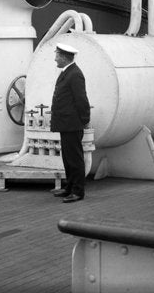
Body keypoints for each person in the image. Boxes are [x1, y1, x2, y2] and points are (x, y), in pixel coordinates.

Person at [49, 41, 90, 202]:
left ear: (65, 57)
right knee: (67, 157)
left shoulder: (75, 74)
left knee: (74, 158)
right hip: (66, 123)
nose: (55, 59)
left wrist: (85, 120)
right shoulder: (67, 72)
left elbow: (81, 100)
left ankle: (78, 191)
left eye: (57, 56)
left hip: (72, 124)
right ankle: (69, 187)